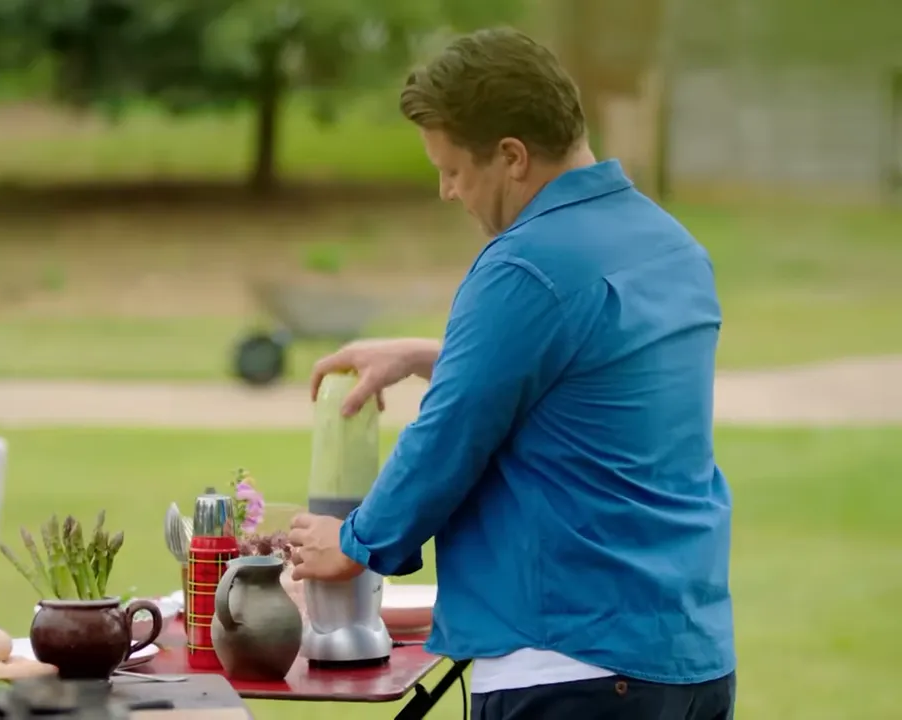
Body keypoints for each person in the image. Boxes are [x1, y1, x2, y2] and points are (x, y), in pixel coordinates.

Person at [286, 27, 736, 720]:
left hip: (570, 668)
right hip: (692, 662)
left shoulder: (525, 265)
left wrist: (352, 544)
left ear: (512, 156)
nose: (446, 191)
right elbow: (594, 381)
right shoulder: (671, 246)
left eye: (453, 170)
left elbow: (449, 436)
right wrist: (427, 356)